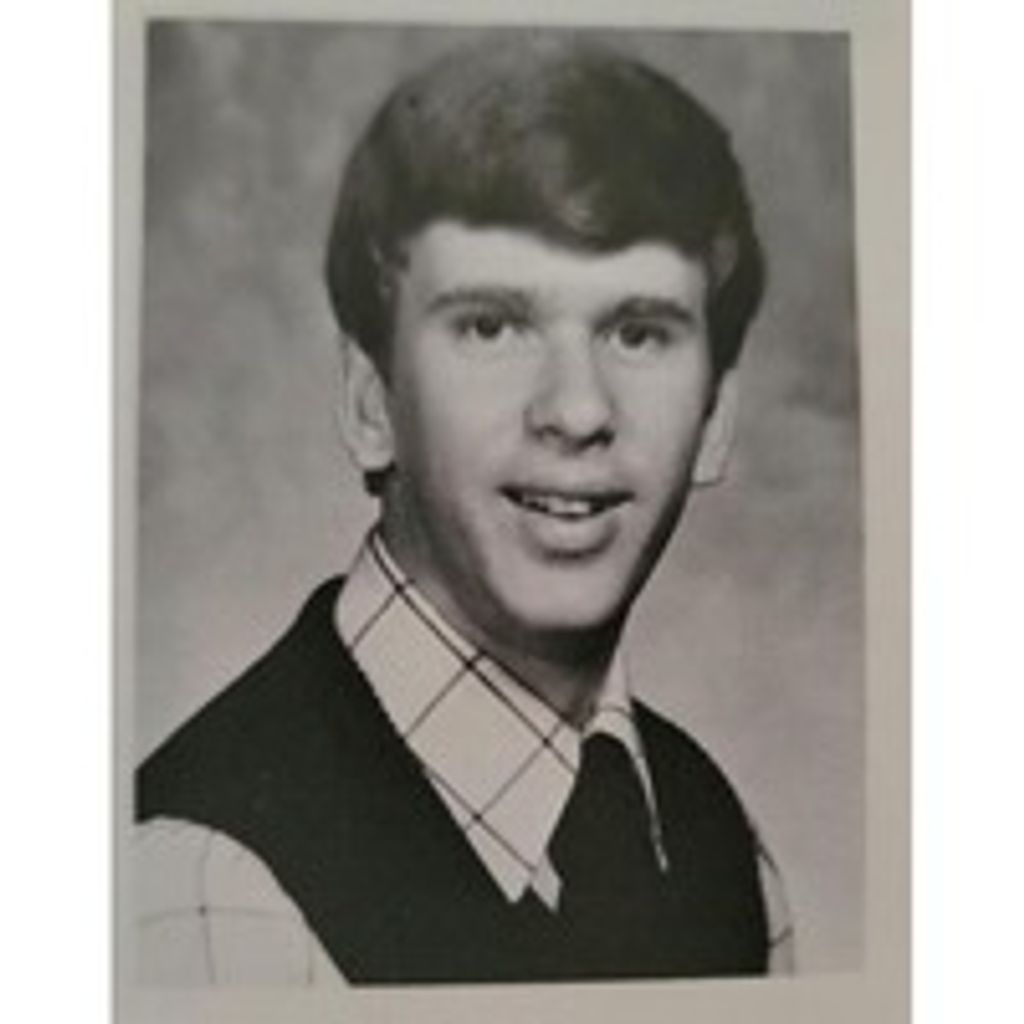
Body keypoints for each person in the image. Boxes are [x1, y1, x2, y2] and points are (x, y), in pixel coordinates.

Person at [134, 31, 794, 985]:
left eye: (639, 333)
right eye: (491, 326)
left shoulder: (725, 853)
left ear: (717, 417)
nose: (577, 410)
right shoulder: (205, 891)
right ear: (371, 403)